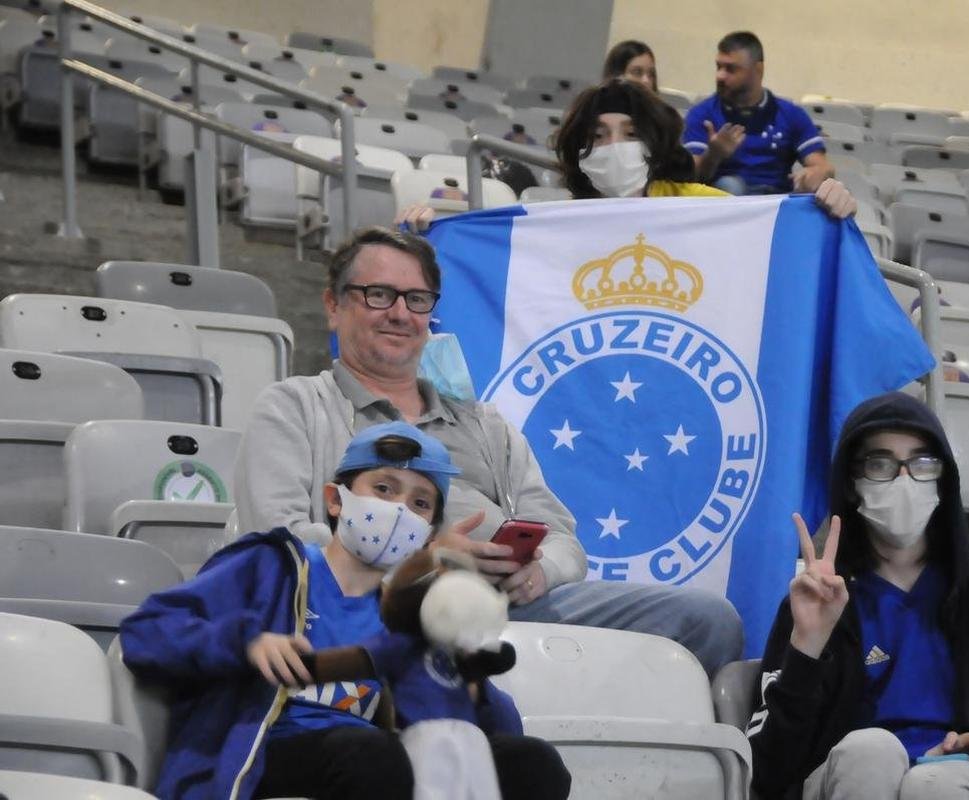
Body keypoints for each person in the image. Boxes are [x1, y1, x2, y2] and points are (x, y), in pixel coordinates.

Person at [233, 226, 746, 677]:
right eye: (378, 294)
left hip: (513, 607)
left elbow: (563, 536)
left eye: (416, 299)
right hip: (385, 609)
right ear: (333, 305)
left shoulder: (485, 422)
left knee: (708, 620)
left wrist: (538, 571)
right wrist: (425, 565)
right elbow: (280, 542)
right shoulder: (294, 406)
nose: (399, 313)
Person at [123, 420, 571, 800]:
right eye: (383, 488)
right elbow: (147, 632)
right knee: (371, 754)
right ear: (336, 500)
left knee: (533, 762)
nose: (399, 509)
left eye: (419, 503)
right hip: (260, 756)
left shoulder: (406, 617)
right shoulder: (270, 564)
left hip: (373, 765)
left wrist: (463, 662)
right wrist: (246, 641)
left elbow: (498, 729)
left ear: (429, 531)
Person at [748, 392, 969, 800]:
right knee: (870, 751)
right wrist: (807, 649)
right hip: (852, 779)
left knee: (935, 784)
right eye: (880, 463)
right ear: (853, 484)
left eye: (923, 463)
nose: (905, 480)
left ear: (943, 478)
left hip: (966, 778)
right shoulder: (816, 599)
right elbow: (763, 767)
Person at [397, 79, 856, 223]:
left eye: (630, 133)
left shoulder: (708, 209)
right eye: (597, 137)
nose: (614, 148)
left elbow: (777, 237)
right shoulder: (553, 226)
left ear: (655, 146)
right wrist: (425, 241)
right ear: (578, 153)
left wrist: (827, 212)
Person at [684, 31, 834, 196]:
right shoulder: (702, 114)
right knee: (730, 185)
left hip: (775, 203)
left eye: (730, 69)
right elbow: (689, 177)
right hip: (723, 206)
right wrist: (713, 156)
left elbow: (824, 167)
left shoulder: (790, 114)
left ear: (758, 70)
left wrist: (815, 174)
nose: (720, 76)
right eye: (718, 67)